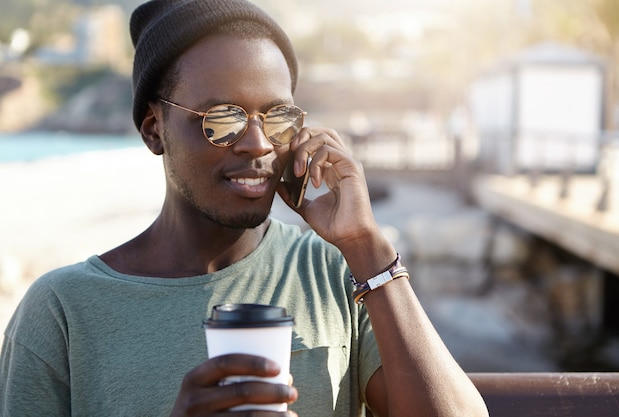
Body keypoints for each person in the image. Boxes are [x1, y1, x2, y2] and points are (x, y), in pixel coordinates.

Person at [0, 1, 489, 416]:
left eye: (278, 118)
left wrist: (367, 245)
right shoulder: (62, 311)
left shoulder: (339, 274)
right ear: (154, 129)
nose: (257, 144)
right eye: (222, 119)